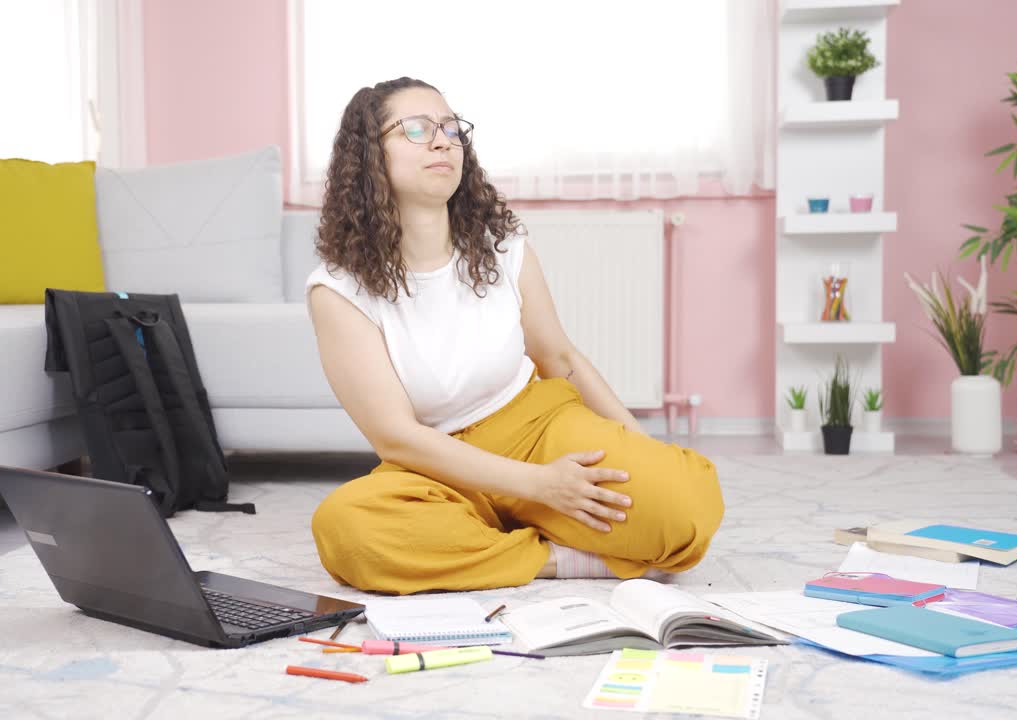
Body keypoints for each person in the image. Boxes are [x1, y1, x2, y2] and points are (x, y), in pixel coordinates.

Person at [305, 77, 723, 595]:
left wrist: (642, 452)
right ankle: (556, 558)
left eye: (451, 128)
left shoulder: (502, 250)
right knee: (348, 530)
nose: (442, 142)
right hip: (438, 466)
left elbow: (561, 359)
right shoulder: (338, 291)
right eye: (416, 129)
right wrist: (542, 487)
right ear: (369, 154)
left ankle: (484, 547)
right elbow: (396, 437)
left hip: (537, 428)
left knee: (689, 507)